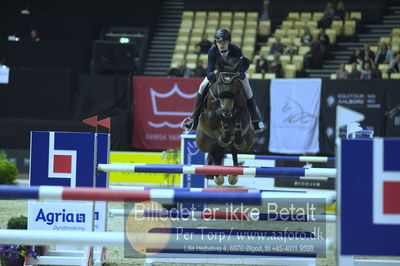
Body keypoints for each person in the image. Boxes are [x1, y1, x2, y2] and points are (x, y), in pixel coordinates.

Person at [181, 29, 264, 133]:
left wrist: (239, 74)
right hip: (218, 74)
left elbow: (241, 67)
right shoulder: (212, 51)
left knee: (247, 89)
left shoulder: (236, 49)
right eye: (219, 42)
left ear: (228, 42)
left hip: (234, 74)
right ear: (216, 42)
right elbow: (209, 72)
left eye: (224, 42)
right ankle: (194, 119)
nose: (221, 45)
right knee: (202, 87)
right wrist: (215, 73)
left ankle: (255, 119)